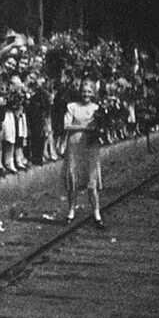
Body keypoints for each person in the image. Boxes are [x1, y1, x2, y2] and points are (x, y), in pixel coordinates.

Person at [63, 78, 104, 227]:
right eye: (83, 91)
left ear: (93, 93)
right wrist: (85, 127)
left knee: (91, 181)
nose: (86, 94)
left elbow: (99, 127)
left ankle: (97, 213)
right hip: (75, 145)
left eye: (89, 91)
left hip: (90, 145)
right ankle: (71, 210)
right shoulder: (72, 107)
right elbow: (66, 125)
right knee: (74, 179)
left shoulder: (97, 108)